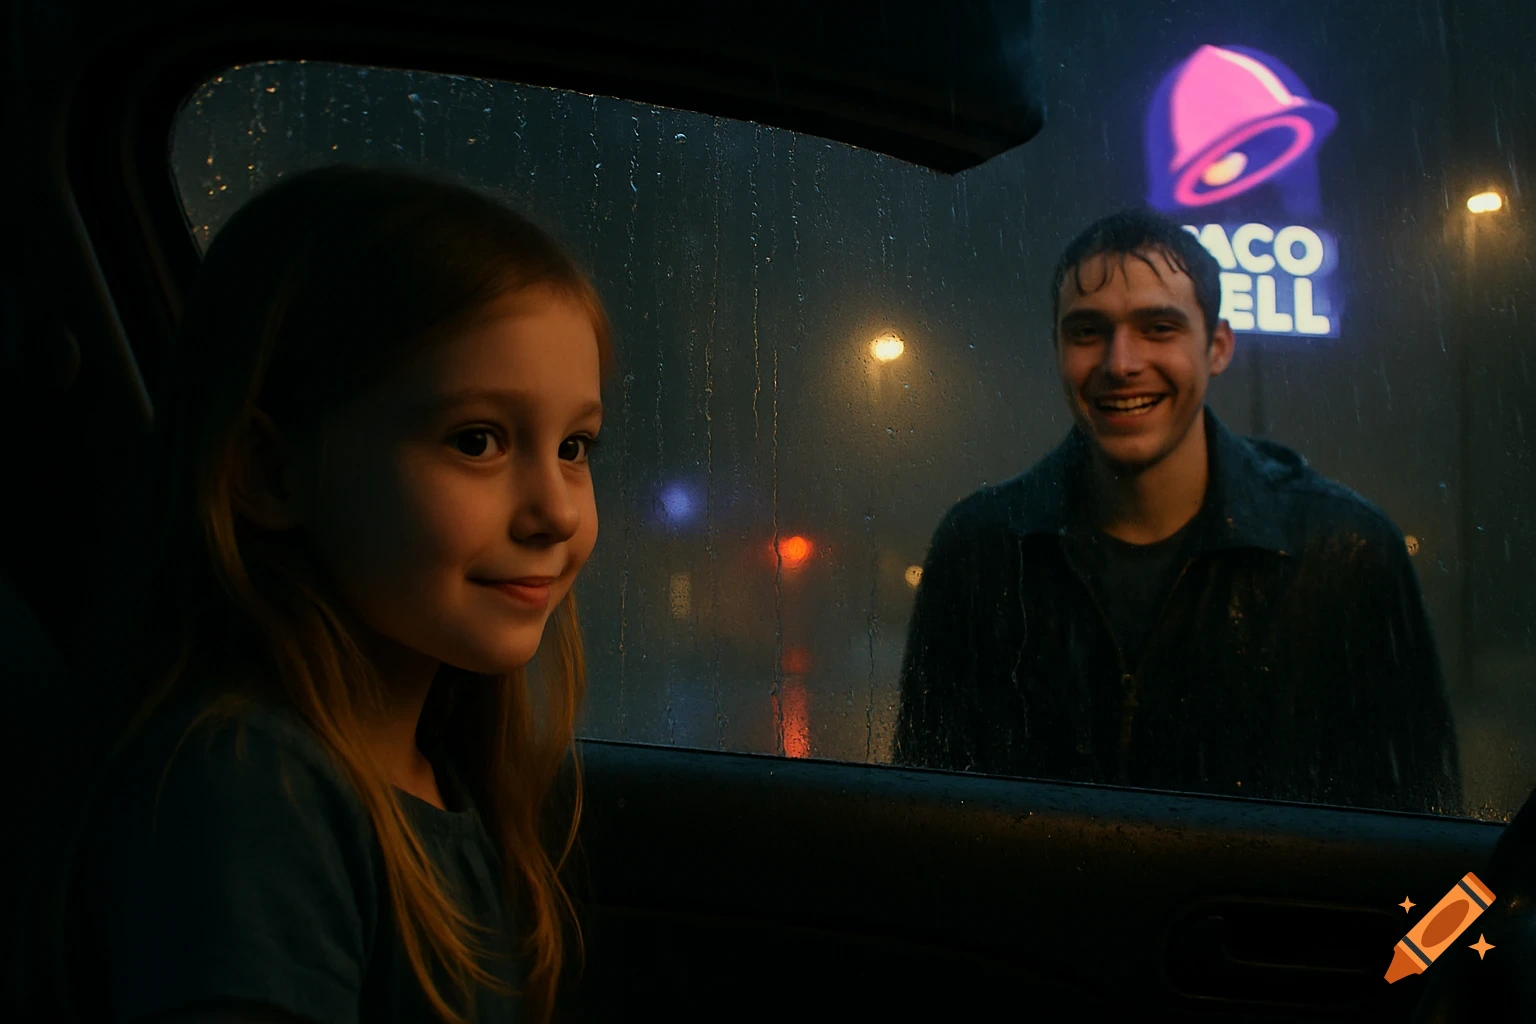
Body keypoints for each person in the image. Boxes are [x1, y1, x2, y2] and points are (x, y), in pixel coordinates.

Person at [27, 166, 613, 1023]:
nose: (558, 511)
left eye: (575, 447)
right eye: (477, 440)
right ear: (270, 472)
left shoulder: (431, 772)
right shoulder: (249, 789)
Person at [893, 208, 1461, 815]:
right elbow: (925, 822)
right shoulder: (980, 551)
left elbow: (1423, 832)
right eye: (1087, 331)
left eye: (1159, 327)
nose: (1120, 363)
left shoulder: (1343, 554)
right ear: (1057, 349)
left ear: (1217, 347)